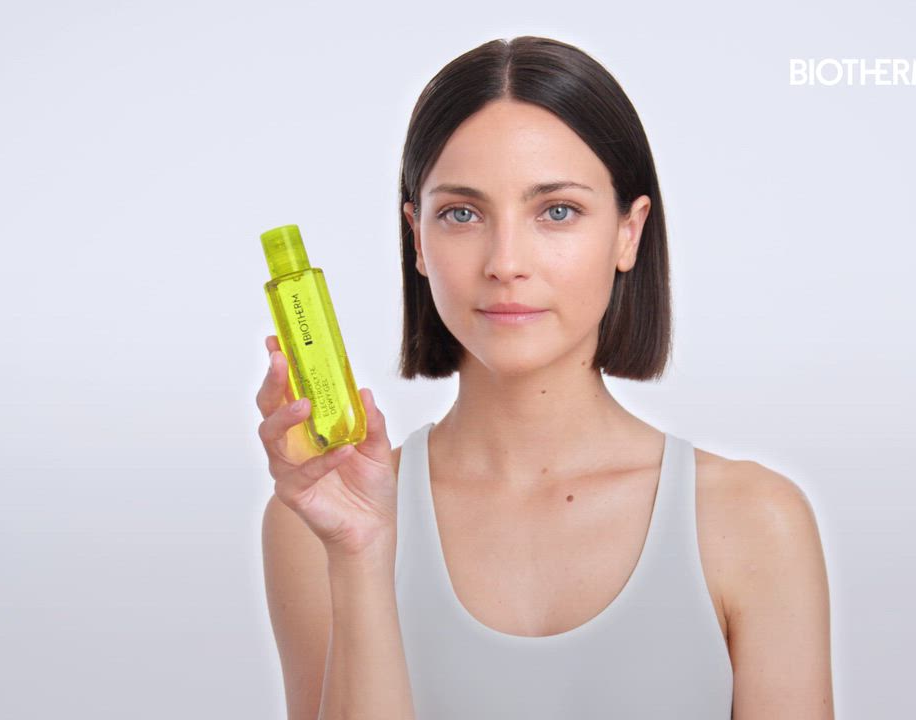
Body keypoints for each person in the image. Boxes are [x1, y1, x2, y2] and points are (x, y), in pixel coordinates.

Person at [259, 36, 833, 720]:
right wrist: (360, 555)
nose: (506, 262)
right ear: (417, 239)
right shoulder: (318, 525)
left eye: (557, 211)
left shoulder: (754, 521)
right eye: (462, 213)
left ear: (629, 232)